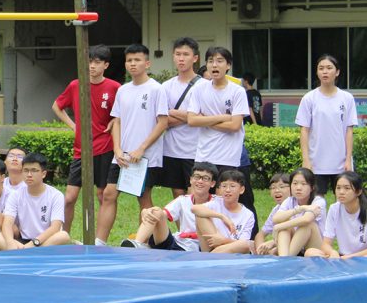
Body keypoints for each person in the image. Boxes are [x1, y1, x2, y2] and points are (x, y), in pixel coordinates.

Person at [95, 43, 168, 245]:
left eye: (137, 60)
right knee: (109, 194)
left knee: (143, 199)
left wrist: (141, 148)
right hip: (122, 155)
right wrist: (117, 149)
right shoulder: (123, 90)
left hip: (145, 156)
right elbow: (116, 121)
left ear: (147, 63)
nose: (133, 64)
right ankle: (99, 241)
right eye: (129, 60)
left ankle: (143, 242)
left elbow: (163, 122)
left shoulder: (156, 89)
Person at [52, 44, 120, 233]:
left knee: (101, 195)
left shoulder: (114, 87)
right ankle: (63, 235)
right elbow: (57, 106)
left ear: (106, 65)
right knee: (69, 197)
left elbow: (122, 113)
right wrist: (73, 125)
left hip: (105, 147)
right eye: (89, 61)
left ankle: (99, 238)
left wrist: (114, 121)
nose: (92, 66)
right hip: (81, 150)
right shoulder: (76, 84)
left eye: (97, 62)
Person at [186, 46, 254, 218]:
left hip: (228, 158)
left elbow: (235, 126)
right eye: (210, 61)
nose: (214, 65)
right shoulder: (199, 89)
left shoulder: (237, 91)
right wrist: (223, 117)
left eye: (219, 61)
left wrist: (206, 119)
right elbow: (192, 120)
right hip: (204, 156)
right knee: (203, 201)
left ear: (228, 65)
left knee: (230, 202)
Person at [296, 54, 357, 196]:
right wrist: (306, 160)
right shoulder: (309, 98)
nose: (325, 71)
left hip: (341, 162)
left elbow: (349, 130)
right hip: (316, 162)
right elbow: (304, 131)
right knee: (317, 201)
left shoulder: (346, 98)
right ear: (317, 72)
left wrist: (348, 159)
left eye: (329, 68)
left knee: (344, 198)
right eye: (321, 68)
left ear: (337, 72)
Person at [123, 162, 218, 252]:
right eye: (197, 177)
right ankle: (137, 244)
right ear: (191, 179)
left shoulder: (218, 202)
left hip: (203, 246)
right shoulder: (183, 200)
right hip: (179, 243)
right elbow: (161, 215)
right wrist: (146, 212)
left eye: (205, 178)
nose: (200, 181)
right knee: (155, 212)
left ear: (212, 183)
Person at [306, 172, 367, 260]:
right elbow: (326, 244)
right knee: (310, 252)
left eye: (347, 188)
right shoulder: (334, 209)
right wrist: (332, 252)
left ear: (358, 191)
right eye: (338, 188)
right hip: (344, 257)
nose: (341, 192)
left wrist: (350, 257)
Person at [160, 37, 203, 198]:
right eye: (178, 54)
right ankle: (183, 225)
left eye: (186, 54)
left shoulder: (203, 86)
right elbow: (162, 120)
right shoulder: (166, 86)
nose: (181, 58)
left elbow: (203, 116)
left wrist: (172, 111)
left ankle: (195, 225)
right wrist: (190, 115)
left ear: (195, 58)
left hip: (196, 151)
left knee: (195, 194)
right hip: (171, 150)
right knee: (177, 195)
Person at [2, 153, 71, 249]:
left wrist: (34, 243)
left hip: (45, 240)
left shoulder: (56, 195)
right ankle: (26, 251)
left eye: (34, 171)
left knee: (63, 236)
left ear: (43, 174)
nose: (29, 175)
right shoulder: (15, 195)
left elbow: (55, 227)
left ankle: (25, 252)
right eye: (26, 171)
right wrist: (10, 243)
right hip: (22, 240)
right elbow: (7, 223)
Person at [192, 169, 255, 254]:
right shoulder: (216, 203)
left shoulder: (248, 214)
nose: (227, 190)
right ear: (220, 189)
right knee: (200, 215)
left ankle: (212, 257)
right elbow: (194, 209)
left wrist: (223, 241)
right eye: (224, 186)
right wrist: (222, 216)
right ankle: (213, 256)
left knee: (245, 245)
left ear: (241, 189)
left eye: (232, 186)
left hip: (231, 251)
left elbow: (243, 243)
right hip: (211, 247)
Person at [271, 167, 327, 257]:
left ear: (312, 187)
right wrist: (300, 209)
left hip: (314, 247)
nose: (298, 188)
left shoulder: (319, 201)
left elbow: (306, 220)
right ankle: (283, 258)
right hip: (296, 246)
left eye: (303, 184)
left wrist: (278, 227)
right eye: (295, 183)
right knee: (285, 228)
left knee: (308, 225)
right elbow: (276, 218)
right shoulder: (289, 200)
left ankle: (286, 260)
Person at [253, 172, 291, 255]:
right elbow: (261, 234)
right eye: (273, 188)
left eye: (281, 187)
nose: (277, 190)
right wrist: (261, 248)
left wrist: (273, 243)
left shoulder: (295, 206)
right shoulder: (276, 209)